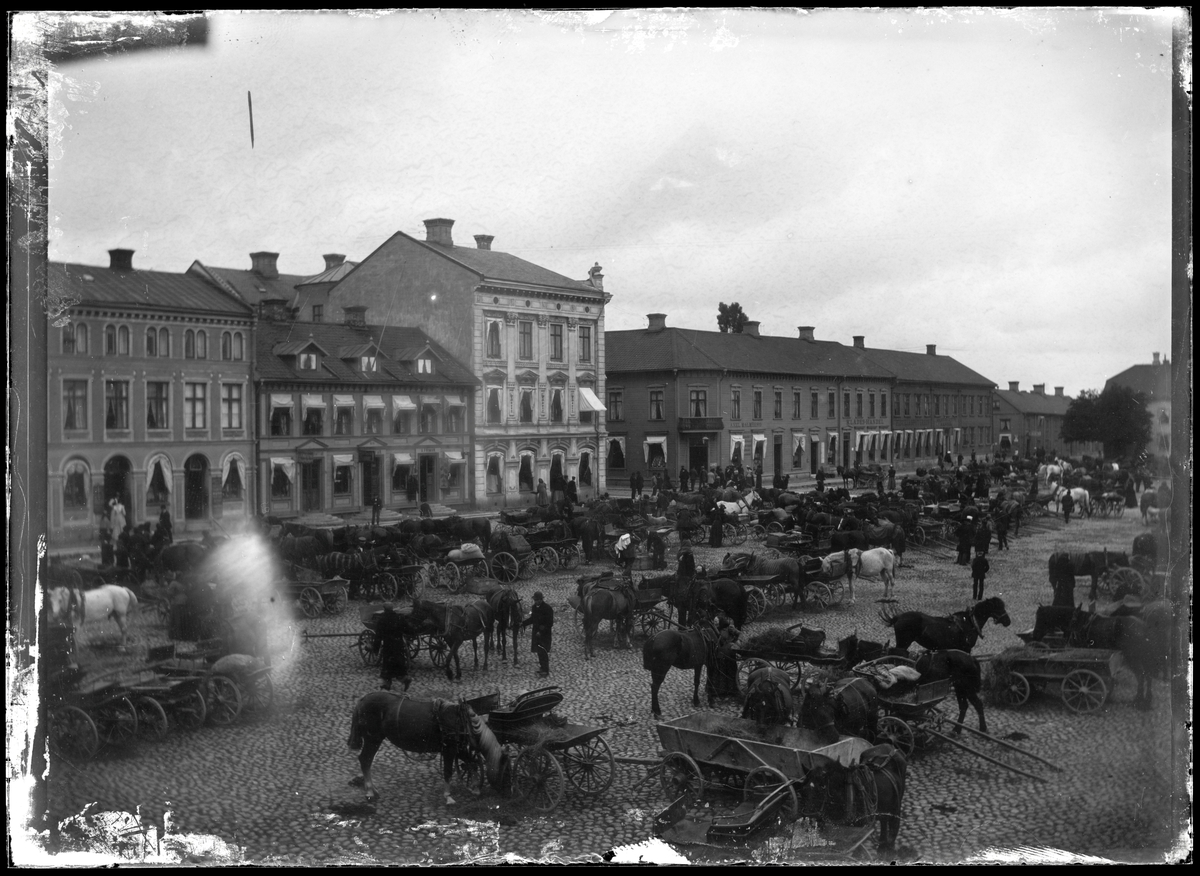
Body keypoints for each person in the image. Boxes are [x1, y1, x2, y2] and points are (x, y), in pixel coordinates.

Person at [373, 605, 412, 692]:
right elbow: (408, 630)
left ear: (384, 609)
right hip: (399, 647)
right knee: (400, 666)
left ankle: (385, 687)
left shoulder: (382, 620)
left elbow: (378, 637)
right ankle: (405, 679)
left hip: (388, 648)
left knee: (387, 668)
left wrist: (375, 649)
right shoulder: (399, 618)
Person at [522, 592, 554, 677]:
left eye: (538, 600)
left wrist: (541, 631)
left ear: (541, 599)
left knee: (544, 652)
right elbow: (532, 619)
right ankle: (542, 667)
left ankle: (546, 670)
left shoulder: (547, 608)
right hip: (536, 634)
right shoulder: (534, 608)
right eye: (535, 600)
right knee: (539, 652)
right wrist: (523, 623)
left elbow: (550, 623)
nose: (536, 601)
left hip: (545, 635)